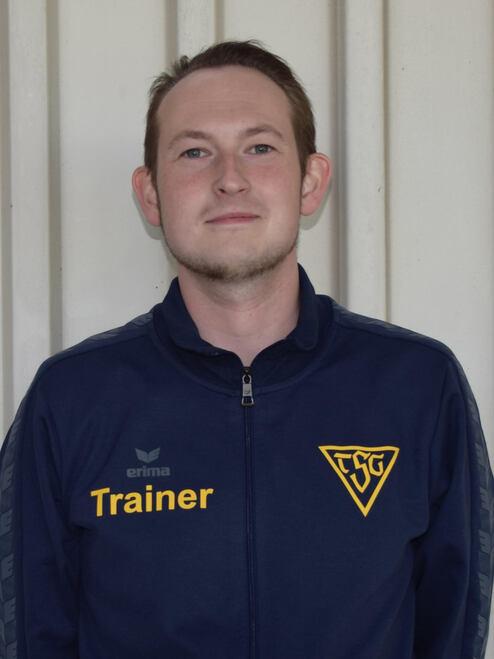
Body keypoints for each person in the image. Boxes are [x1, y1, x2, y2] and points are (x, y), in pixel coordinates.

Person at [0, 39, 492, 659]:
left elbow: (452, 630)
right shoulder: (71, 400)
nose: (229, 179)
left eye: (260, 148)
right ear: (150, 195)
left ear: (310, 182)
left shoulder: (418, 386)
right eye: (194, 152)